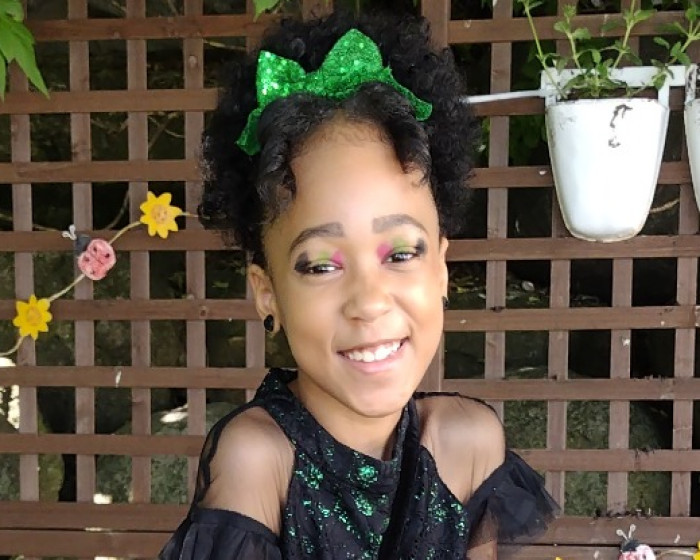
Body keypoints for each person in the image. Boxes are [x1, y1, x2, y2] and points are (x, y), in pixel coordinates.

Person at [159, 9, 558, 560]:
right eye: (321, 265)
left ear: (441, 267)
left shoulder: (469, 443)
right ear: (266, 292)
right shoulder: (261, 461)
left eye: (401, 253)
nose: (369, 301)